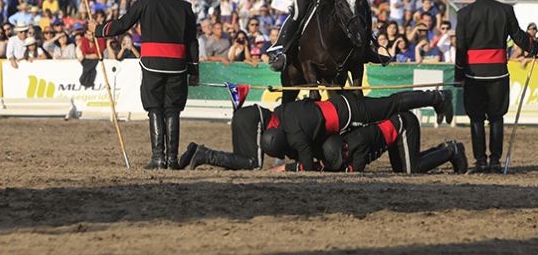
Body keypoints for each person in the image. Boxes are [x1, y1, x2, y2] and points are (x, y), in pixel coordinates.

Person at [88, 0, 199, 170]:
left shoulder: (144, 2)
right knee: (173, 110)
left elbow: (123, 24)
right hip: (177, 65)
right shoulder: (185, 7)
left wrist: (99, 29)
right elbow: (192, 42)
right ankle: (172, 159)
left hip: (152, 64)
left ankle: (158, 159)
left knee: (155, 109)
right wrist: (194, 71)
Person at [184, 89, 453, 172]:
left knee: (391, 104)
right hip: (340, 107)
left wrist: (289, 170)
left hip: (349, 113)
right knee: (391, 104)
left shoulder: (294, 132)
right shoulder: (283, 116)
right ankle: (435, 100)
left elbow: (308, 169)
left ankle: (436, 98)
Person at [454, 0, 538, 174]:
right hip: (498, 72)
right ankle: (495, 161)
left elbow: (460, 49)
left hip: (472, 73)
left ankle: (481, 162)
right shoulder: (505, 10)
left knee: (476, 118)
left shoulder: (464, 13)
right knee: (496, 117)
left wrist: (459, 75)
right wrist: (536, 46)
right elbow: (520, 38)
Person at [318, 111, 468, 174]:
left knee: (411, 170)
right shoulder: (350, 142)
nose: (344, 160)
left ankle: (452, 151)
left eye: (342, 157)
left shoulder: (359, 143)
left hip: (404, 125)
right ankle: (444, 148)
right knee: (401, 169)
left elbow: (355, 170)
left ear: (344, 146)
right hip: (395, 132)